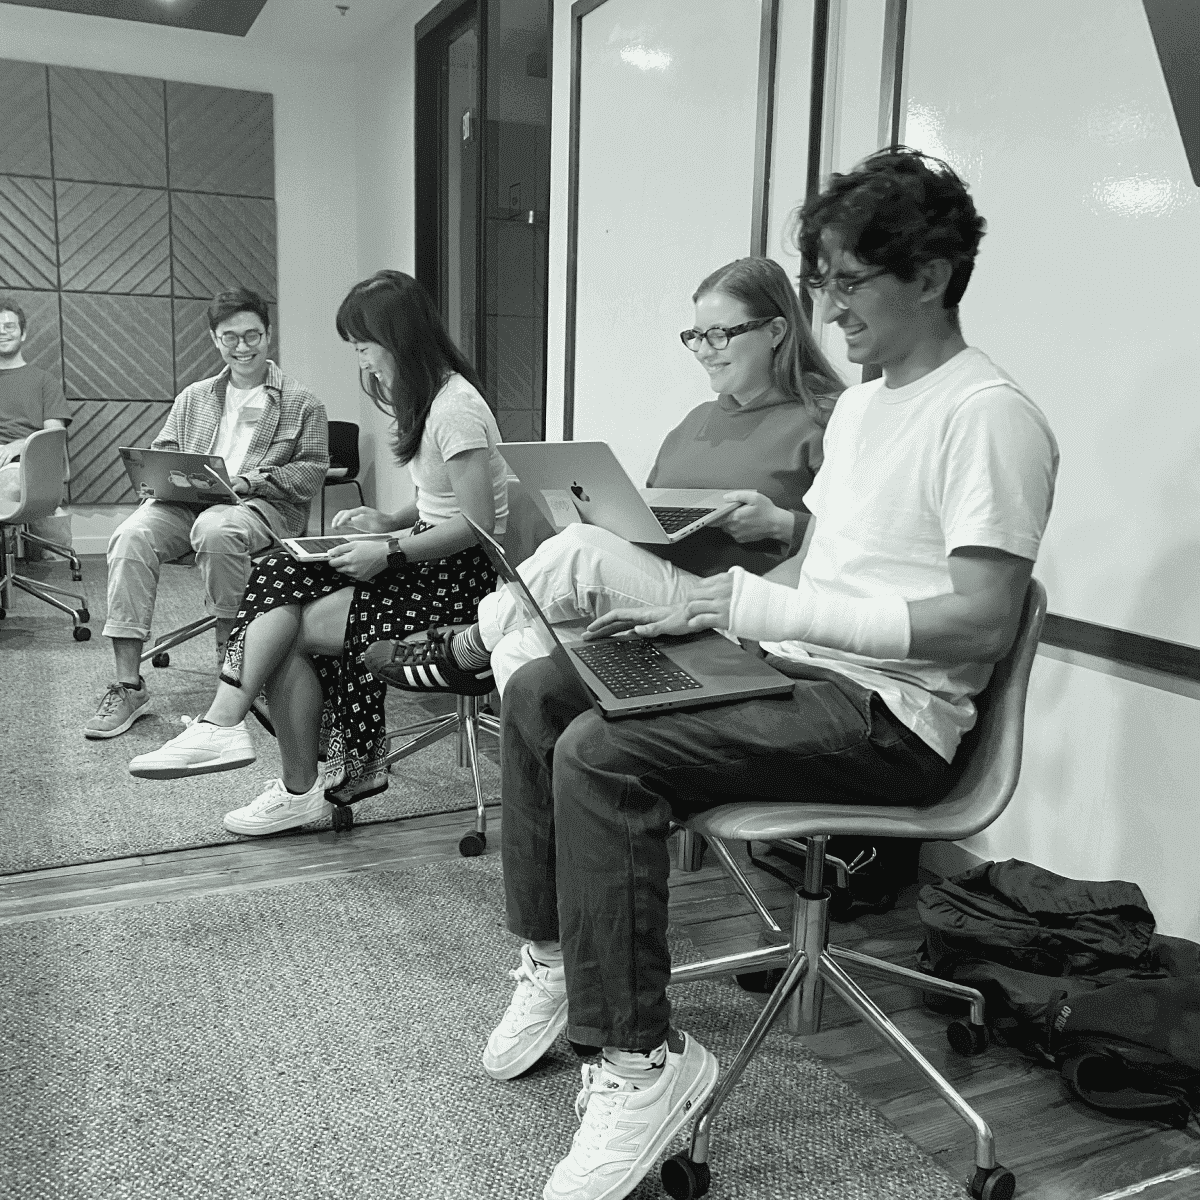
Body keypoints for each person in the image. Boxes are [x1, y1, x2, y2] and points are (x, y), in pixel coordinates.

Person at [476, 147, 1059, 1200]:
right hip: (798, 671)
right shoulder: (878, 402)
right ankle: (556, 963)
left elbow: (978, 620)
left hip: (891, 722)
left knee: (604, 754)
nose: (827, 309)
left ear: (928, 274)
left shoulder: (990, 416)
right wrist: (779, 534)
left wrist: (758, 604)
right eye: (820, 280)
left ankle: (642, 1065)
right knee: (541, 691)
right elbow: (858, 554)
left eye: (845, 281)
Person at [126, 270, 508, 837]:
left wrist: (390, 550)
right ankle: (233, 730)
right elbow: (439, 503)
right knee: (280, 571)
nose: (364, 363)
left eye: (364, 348)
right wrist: (387, 520)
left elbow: (478, 527)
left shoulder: (456, 409)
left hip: (456, 580)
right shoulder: (430, 399)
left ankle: (271, 766)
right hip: (422, 556)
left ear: (397, 339)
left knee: (288, 629)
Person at [365, 256, 844, 698]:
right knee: (518, 651)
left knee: (579, 551)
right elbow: (653, 531)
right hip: (660, 589)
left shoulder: (826, 420)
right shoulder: (695, 423)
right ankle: (543, 780)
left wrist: (783, 524)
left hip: (733, 604)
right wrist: (605, 515)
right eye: (695, 336)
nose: (703, 350)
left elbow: (854, 553)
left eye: (719, 334)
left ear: (776, 330)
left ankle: (466, 646)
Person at [84, 287, 329, 740]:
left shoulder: (302, 402)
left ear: (268, 335)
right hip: (186, 504)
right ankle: (128, 684)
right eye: (230, 337)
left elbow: (311, 474)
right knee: (130, 535)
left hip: (259, 507)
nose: (242, 346)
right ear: (216, 340)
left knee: (218, 530)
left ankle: (236, 673)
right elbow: (163, 451)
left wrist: (250, 481)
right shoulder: (193, 397)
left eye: (252, 335)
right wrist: (167, 474)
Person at [0, 296, 72, 548]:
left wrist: (17, 446)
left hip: (28, 468)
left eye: (9, 326)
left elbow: (54, 435)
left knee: (9, 481)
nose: (2, 332)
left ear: (23, 333)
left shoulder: (44, 381)